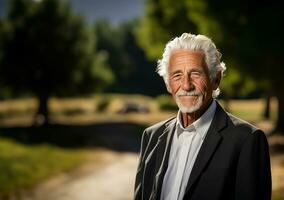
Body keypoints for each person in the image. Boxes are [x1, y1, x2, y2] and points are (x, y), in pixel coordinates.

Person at [134, 33, 271, 200]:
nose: (186, 85)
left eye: (196, 74)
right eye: (177, 75)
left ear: (215, 79)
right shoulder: (151, 136)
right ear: (168, 84)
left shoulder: (246, 140)